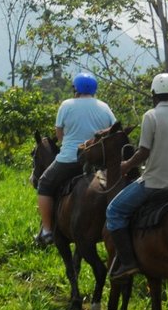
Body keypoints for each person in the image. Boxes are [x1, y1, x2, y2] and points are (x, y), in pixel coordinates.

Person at [105, 73, 168, 281]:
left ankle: (128, 262)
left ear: (154, 94)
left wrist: (126, 165)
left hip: (155, 184)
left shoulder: (151, 115)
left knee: (114, 211)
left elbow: (144, 151)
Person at [35, 72, 116, 246]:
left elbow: (59, 134)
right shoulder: (104, 107)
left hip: (69, 160)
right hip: (97, 163)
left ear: (76, 89)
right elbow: (114, 131)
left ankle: (47, 230)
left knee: (44, 184)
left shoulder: (66, 105)